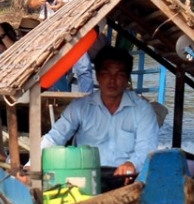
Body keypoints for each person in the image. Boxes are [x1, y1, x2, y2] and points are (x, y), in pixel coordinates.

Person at [25, 46, 160, 191]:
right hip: (85, 179)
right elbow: (55, 137)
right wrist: (31, 165)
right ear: (97, 76)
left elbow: (147, 146)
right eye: (106, 73)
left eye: (119, 75)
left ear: (127, 78)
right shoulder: (80, 107)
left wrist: (132, 164)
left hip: (127, 182)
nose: (112, 80)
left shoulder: (143, 110)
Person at [25, 0, 94, 93]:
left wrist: (65, 5)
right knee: (53, 68)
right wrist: (37, 1)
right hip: (49, 27)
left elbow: (87, 1)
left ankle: (88, 100)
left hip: (74, 25)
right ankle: (61, 100)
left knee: (82, 66)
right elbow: (29, 5)